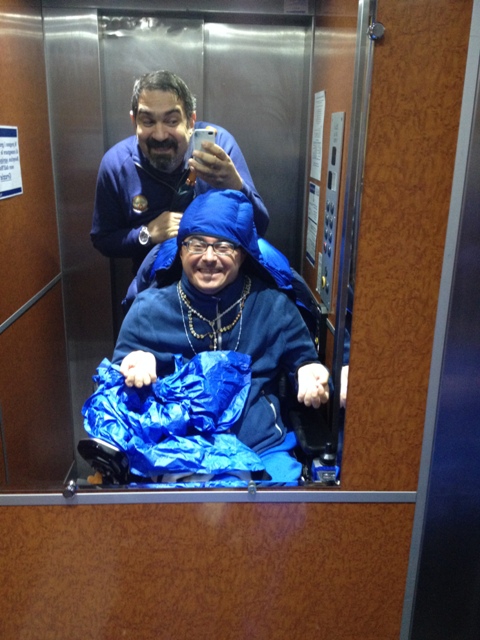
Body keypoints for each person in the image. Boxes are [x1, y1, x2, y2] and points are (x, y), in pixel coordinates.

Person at [110, 189, 329, 474]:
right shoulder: (147, 310)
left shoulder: (273, 306)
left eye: (224, 246)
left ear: (243, 253)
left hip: (261, 451)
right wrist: (131, 373)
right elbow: (111, 394)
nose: (209, 257)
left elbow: (306, 367)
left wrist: (309, 373)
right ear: (181, 250)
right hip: (172, 453)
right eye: (196, 244)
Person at [91, 70, 269, 273]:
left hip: (221, 278)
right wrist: (147, 234)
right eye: (148, 121)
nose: (159, 135)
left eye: (172, 121)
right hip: (154, 283)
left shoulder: (219, 147)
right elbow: (103, 239)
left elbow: (260, 225)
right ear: (134, 122)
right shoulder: (117, 165)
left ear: (191, 121)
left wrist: (235, 185)